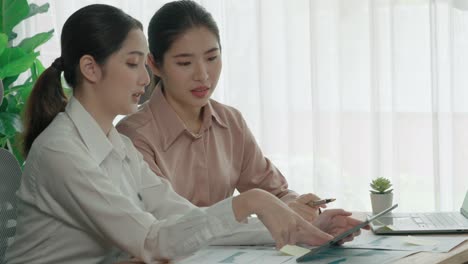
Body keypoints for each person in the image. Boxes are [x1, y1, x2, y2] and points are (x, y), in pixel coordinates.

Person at [5, 4, 364, 264]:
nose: (146, 80)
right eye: (133, 64)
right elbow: (149, 239)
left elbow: (188, 220)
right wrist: (251, 201)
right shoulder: (62, 152)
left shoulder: (116, 145)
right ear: (90, 68)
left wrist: (299, 223)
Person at [117, 0, 321, 222]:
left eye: (212, 58)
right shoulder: (133, 135)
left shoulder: (230, 121)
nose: (203, 74)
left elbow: (276, 193)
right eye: (185, 63)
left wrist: (299, 206)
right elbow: (169, 227)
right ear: (154, 64)